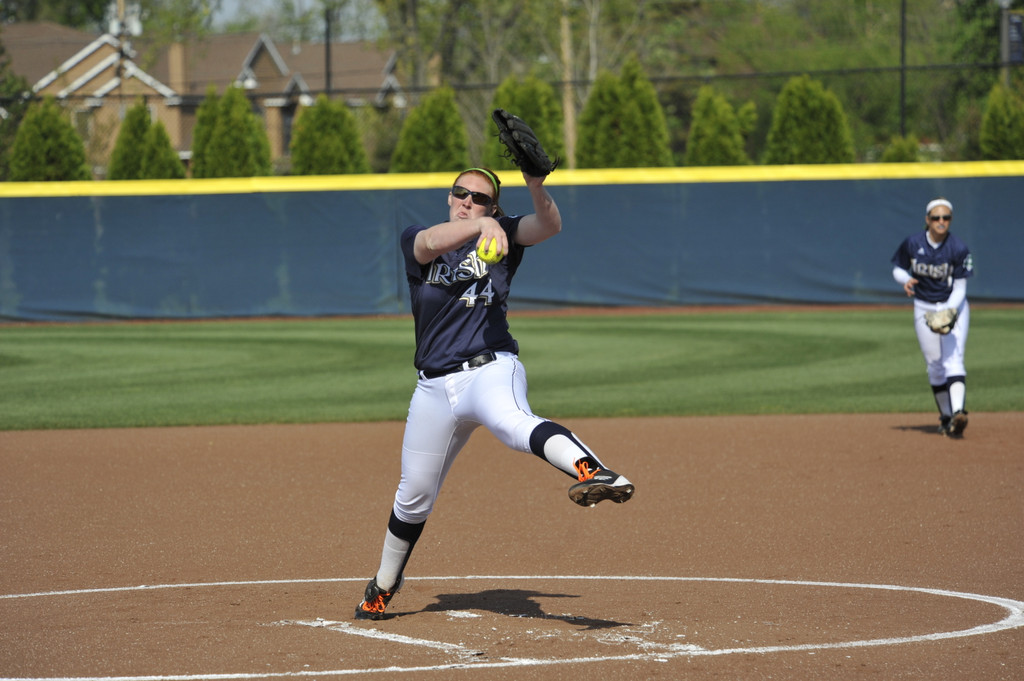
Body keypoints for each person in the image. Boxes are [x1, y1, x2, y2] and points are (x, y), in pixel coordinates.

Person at [354, 167, 635, 620]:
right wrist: (480, 224)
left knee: (512, 425)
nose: (467, 201)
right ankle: (384, 585)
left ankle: (593, 471)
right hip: (433, 386)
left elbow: (549, 225)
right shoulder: (419, 238)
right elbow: (427, 243)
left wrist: (537, 185)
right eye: (460, 193)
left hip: (489, 369)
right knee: (414, 494)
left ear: (494, 207)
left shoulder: (504, 234)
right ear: (450, 198)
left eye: (479, 199)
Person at [890, 197, 974, 437]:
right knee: (935, 366)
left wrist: (948, 312)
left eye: (946, 217)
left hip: (953, 306)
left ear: (950, 220)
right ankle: (947, 416)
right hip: (923, 307)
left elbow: (960, 288)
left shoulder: (958, 248)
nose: (941, 221)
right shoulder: (913, 243)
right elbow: (897, 267)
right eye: (936, 217)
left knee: (953, 359)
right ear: (927, 220)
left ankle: (959, 412)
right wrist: (905, 279)